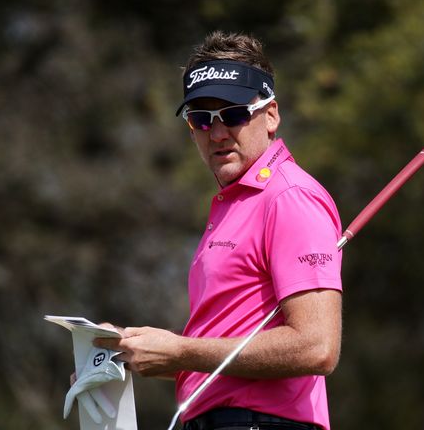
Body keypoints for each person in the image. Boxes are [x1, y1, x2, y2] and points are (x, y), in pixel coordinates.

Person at [94, 31, 343, 430]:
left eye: (234, 114)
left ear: (272, 114)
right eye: (201, 118)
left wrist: (183, 352)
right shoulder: (235, 204)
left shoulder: (289, 198)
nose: (218, 132)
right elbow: (214, 352)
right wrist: (123, 352)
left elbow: (317, 346)